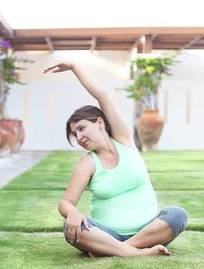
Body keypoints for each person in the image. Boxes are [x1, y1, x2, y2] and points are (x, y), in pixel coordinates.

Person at [43, 60, 188, 258]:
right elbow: (66, 202)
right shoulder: (87, 162)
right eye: (74, 135)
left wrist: (75, 67)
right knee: (72, 228)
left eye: (81, 128)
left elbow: (102, 95)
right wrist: (72, 212)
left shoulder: (124, 140)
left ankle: (120, 249)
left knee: (177, 215)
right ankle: (135, 252)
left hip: (148, 231)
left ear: (100, 122)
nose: (79, 137)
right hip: (106, 234)